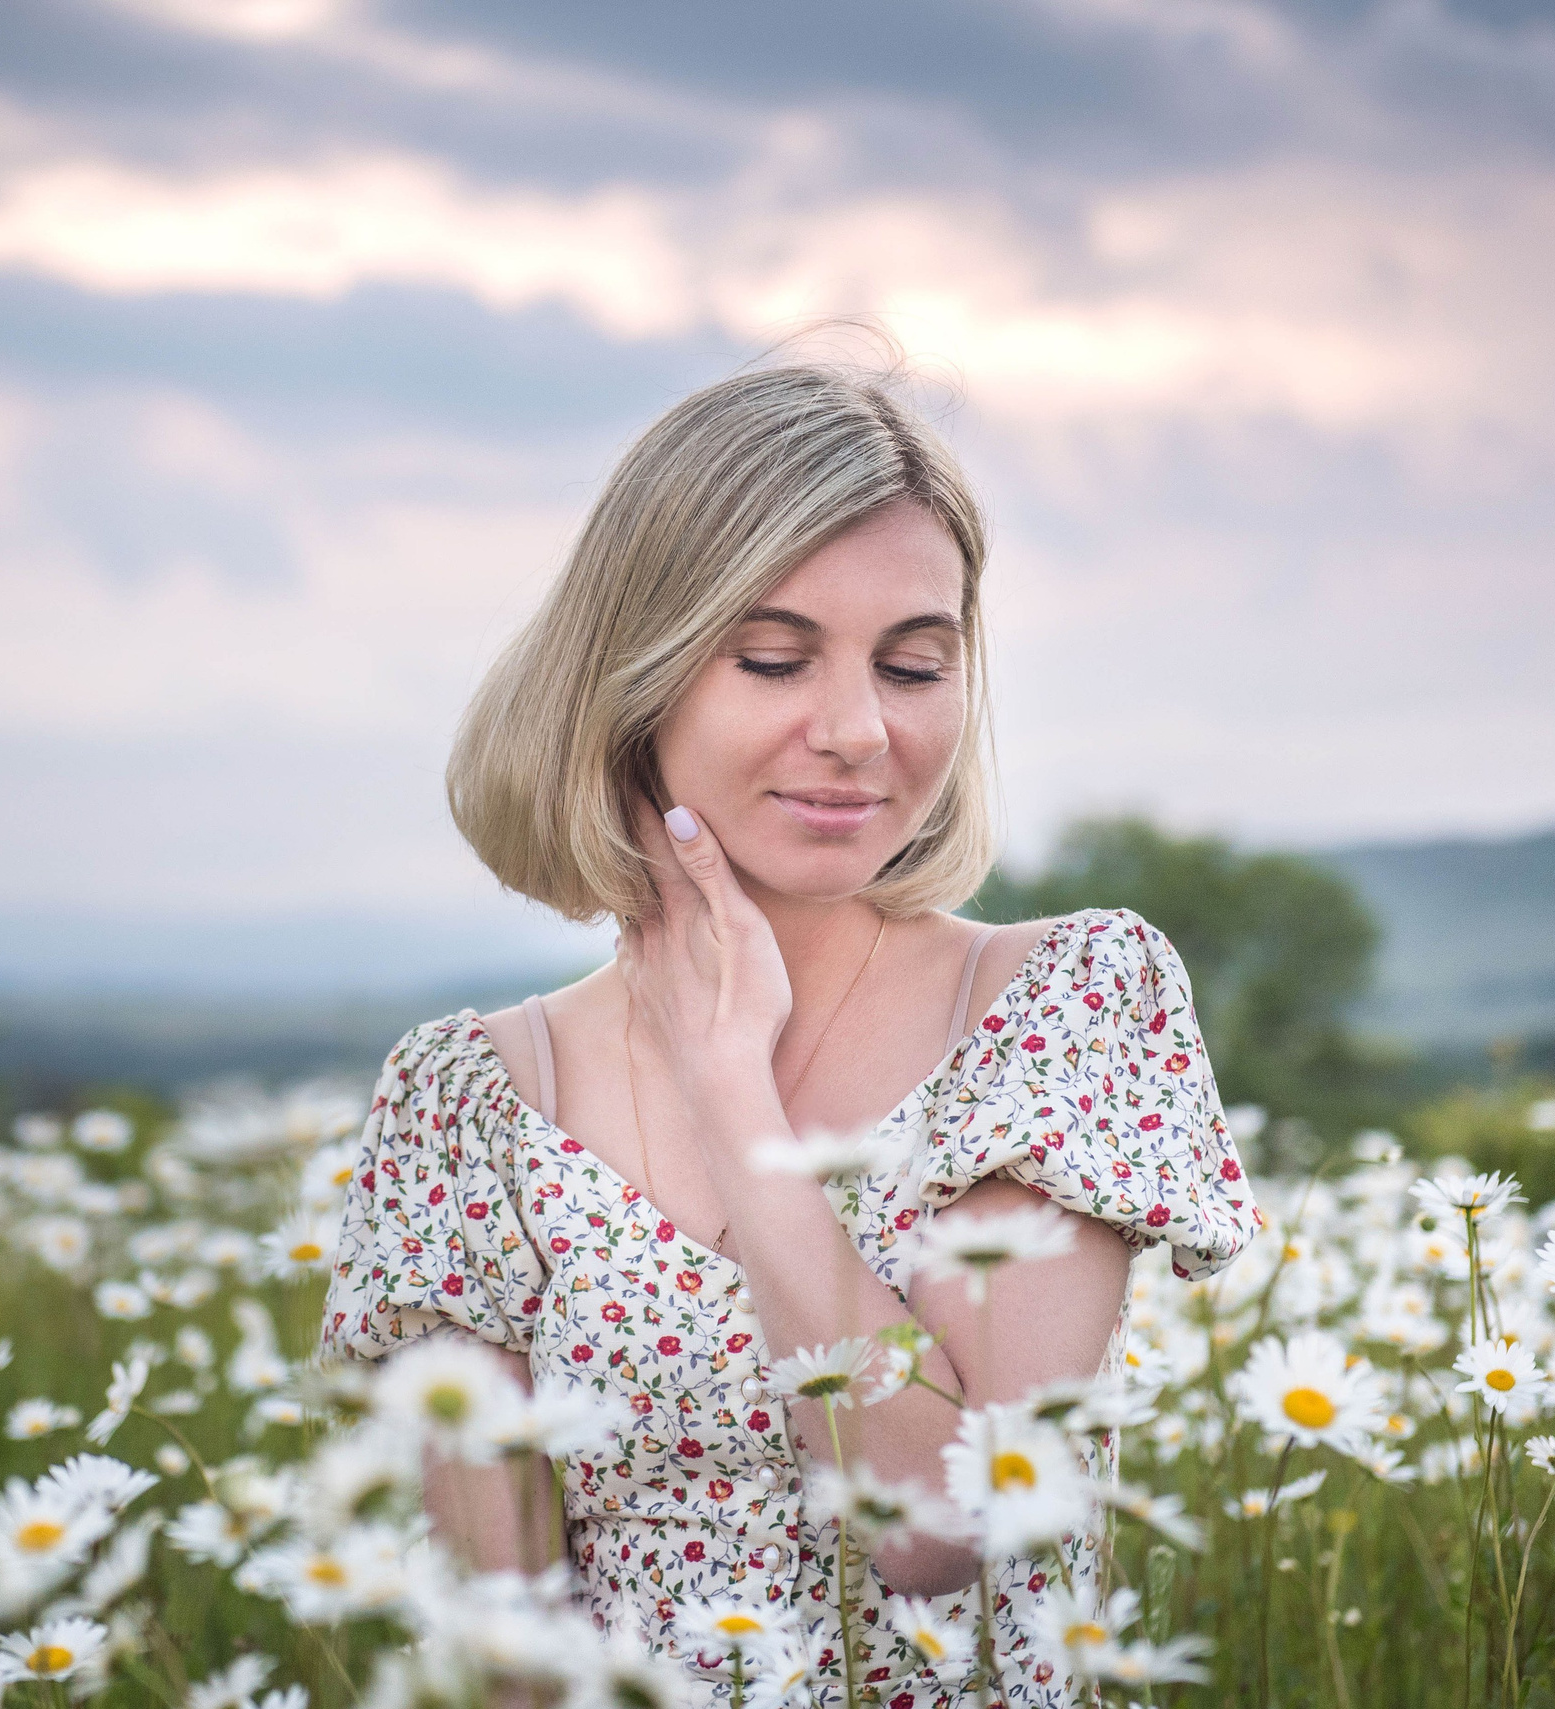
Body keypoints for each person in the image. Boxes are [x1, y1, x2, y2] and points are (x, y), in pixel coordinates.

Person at [320, 356, 1264, 1706]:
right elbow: (508, 1656)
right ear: (635, 675)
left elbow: (940, 1525)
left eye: (915, 664)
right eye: (773, 657)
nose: (857, 729)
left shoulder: (1059, 1010)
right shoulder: (466, 1104)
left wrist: (735, 1101)